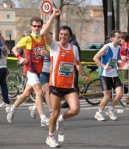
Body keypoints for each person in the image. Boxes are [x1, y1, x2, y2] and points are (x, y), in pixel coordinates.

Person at [42, 9, 88, 148]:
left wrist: (83, 73)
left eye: (65, 35)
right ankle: (50, 137)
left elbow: (78, 63)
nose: (62, 36)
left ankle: (62, 119)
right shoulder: (55, 46)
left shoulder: (74, 48)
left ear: (70, 36)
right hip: (55, 85)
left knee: (75, 110)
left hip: (69, 86)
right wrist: (53, 16)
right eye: (61, 34)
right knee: (54, 112)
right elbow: (44, 33)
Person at [6, 16, 49, 127]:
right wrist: (20, 58)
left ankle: (13, 108)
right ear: (31, 26)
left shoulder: (43, 39)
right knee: (39, 92)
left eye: (39, 26)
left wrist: (46, 53)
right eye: (34, 26)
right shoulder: (28, 38)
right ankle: (43, 118)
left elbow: (49, 52)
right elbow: (14, 49)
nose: (36, 28)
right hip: (30, 70)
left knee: (26, 94)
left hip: (38, 70)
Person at [93, 30, 123, 121]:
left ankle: (110, 109)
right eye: (118, 37)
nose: (120, 39)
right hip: (105, 75)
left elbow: (116, 59)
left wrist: (118, 64)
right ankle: (99, 113)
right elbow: (95, 58)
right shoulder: (106, 47)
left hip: (114, 74)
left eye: (120, 37)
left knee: (120, 94)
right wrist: (104, 66)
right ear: (112, 38)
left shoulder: (119, 48)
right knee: (107, 96)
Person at [29, 32, 53, 119]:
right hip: (43, 72)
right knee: (47, 92)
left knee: (42, 93)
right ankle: (52, 112)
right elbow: (34, 55)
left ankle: (34, 107)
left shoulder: (54, 46)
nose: (50, 38)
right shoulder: (41, 46)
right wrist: (39, 53)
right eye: (48, 36)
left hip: (52, 73)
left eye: (51, 36)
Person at [61, 33, 81, 108]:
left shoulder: (73, 45)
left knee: (73, 85)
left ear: (69, 37)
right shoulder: (73, 43)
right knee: (73, 84)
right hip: (72, 67)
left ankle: (71, 101)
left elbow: (76, 58)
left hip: (73, 67)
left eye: (66, 35)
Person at [0, 33, 10, 108]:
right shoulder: (4, 47)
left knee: (3, 85)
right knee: (3, 85)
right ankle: (6, 101)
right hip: (4, 67)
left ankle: (6, 101)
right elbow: (7, 54)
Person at [120, 32, 129, 104]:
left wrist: (126, 57)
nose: (119, 40)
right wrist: (121, 56)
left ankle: (128, 97)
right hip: (126, 66)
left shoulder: (127, 45)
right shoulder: (122, 46)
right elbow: (119, 53)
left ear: (124, 39)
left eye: (121, 38)